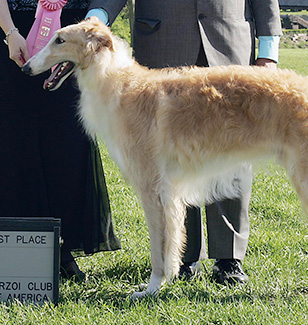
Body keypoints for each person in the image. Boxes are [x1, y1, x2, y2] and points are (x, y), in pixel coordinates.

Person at [87, 0, 282, 284]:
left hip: (229, 44)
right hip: (163, 43)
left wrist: (268, 53)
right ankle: (183, 257)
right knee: (172, 159)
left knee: (235, 151)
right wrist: (96, 17)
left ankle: (229, 258)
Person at [0, 0, 124, 281]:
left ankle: (64, 251)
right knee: (15, 142)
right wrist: (10, 32)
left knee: (68, 143)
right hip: (15, 32)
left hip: (73, 37)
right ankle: (19, 249)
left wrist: (91, 27)